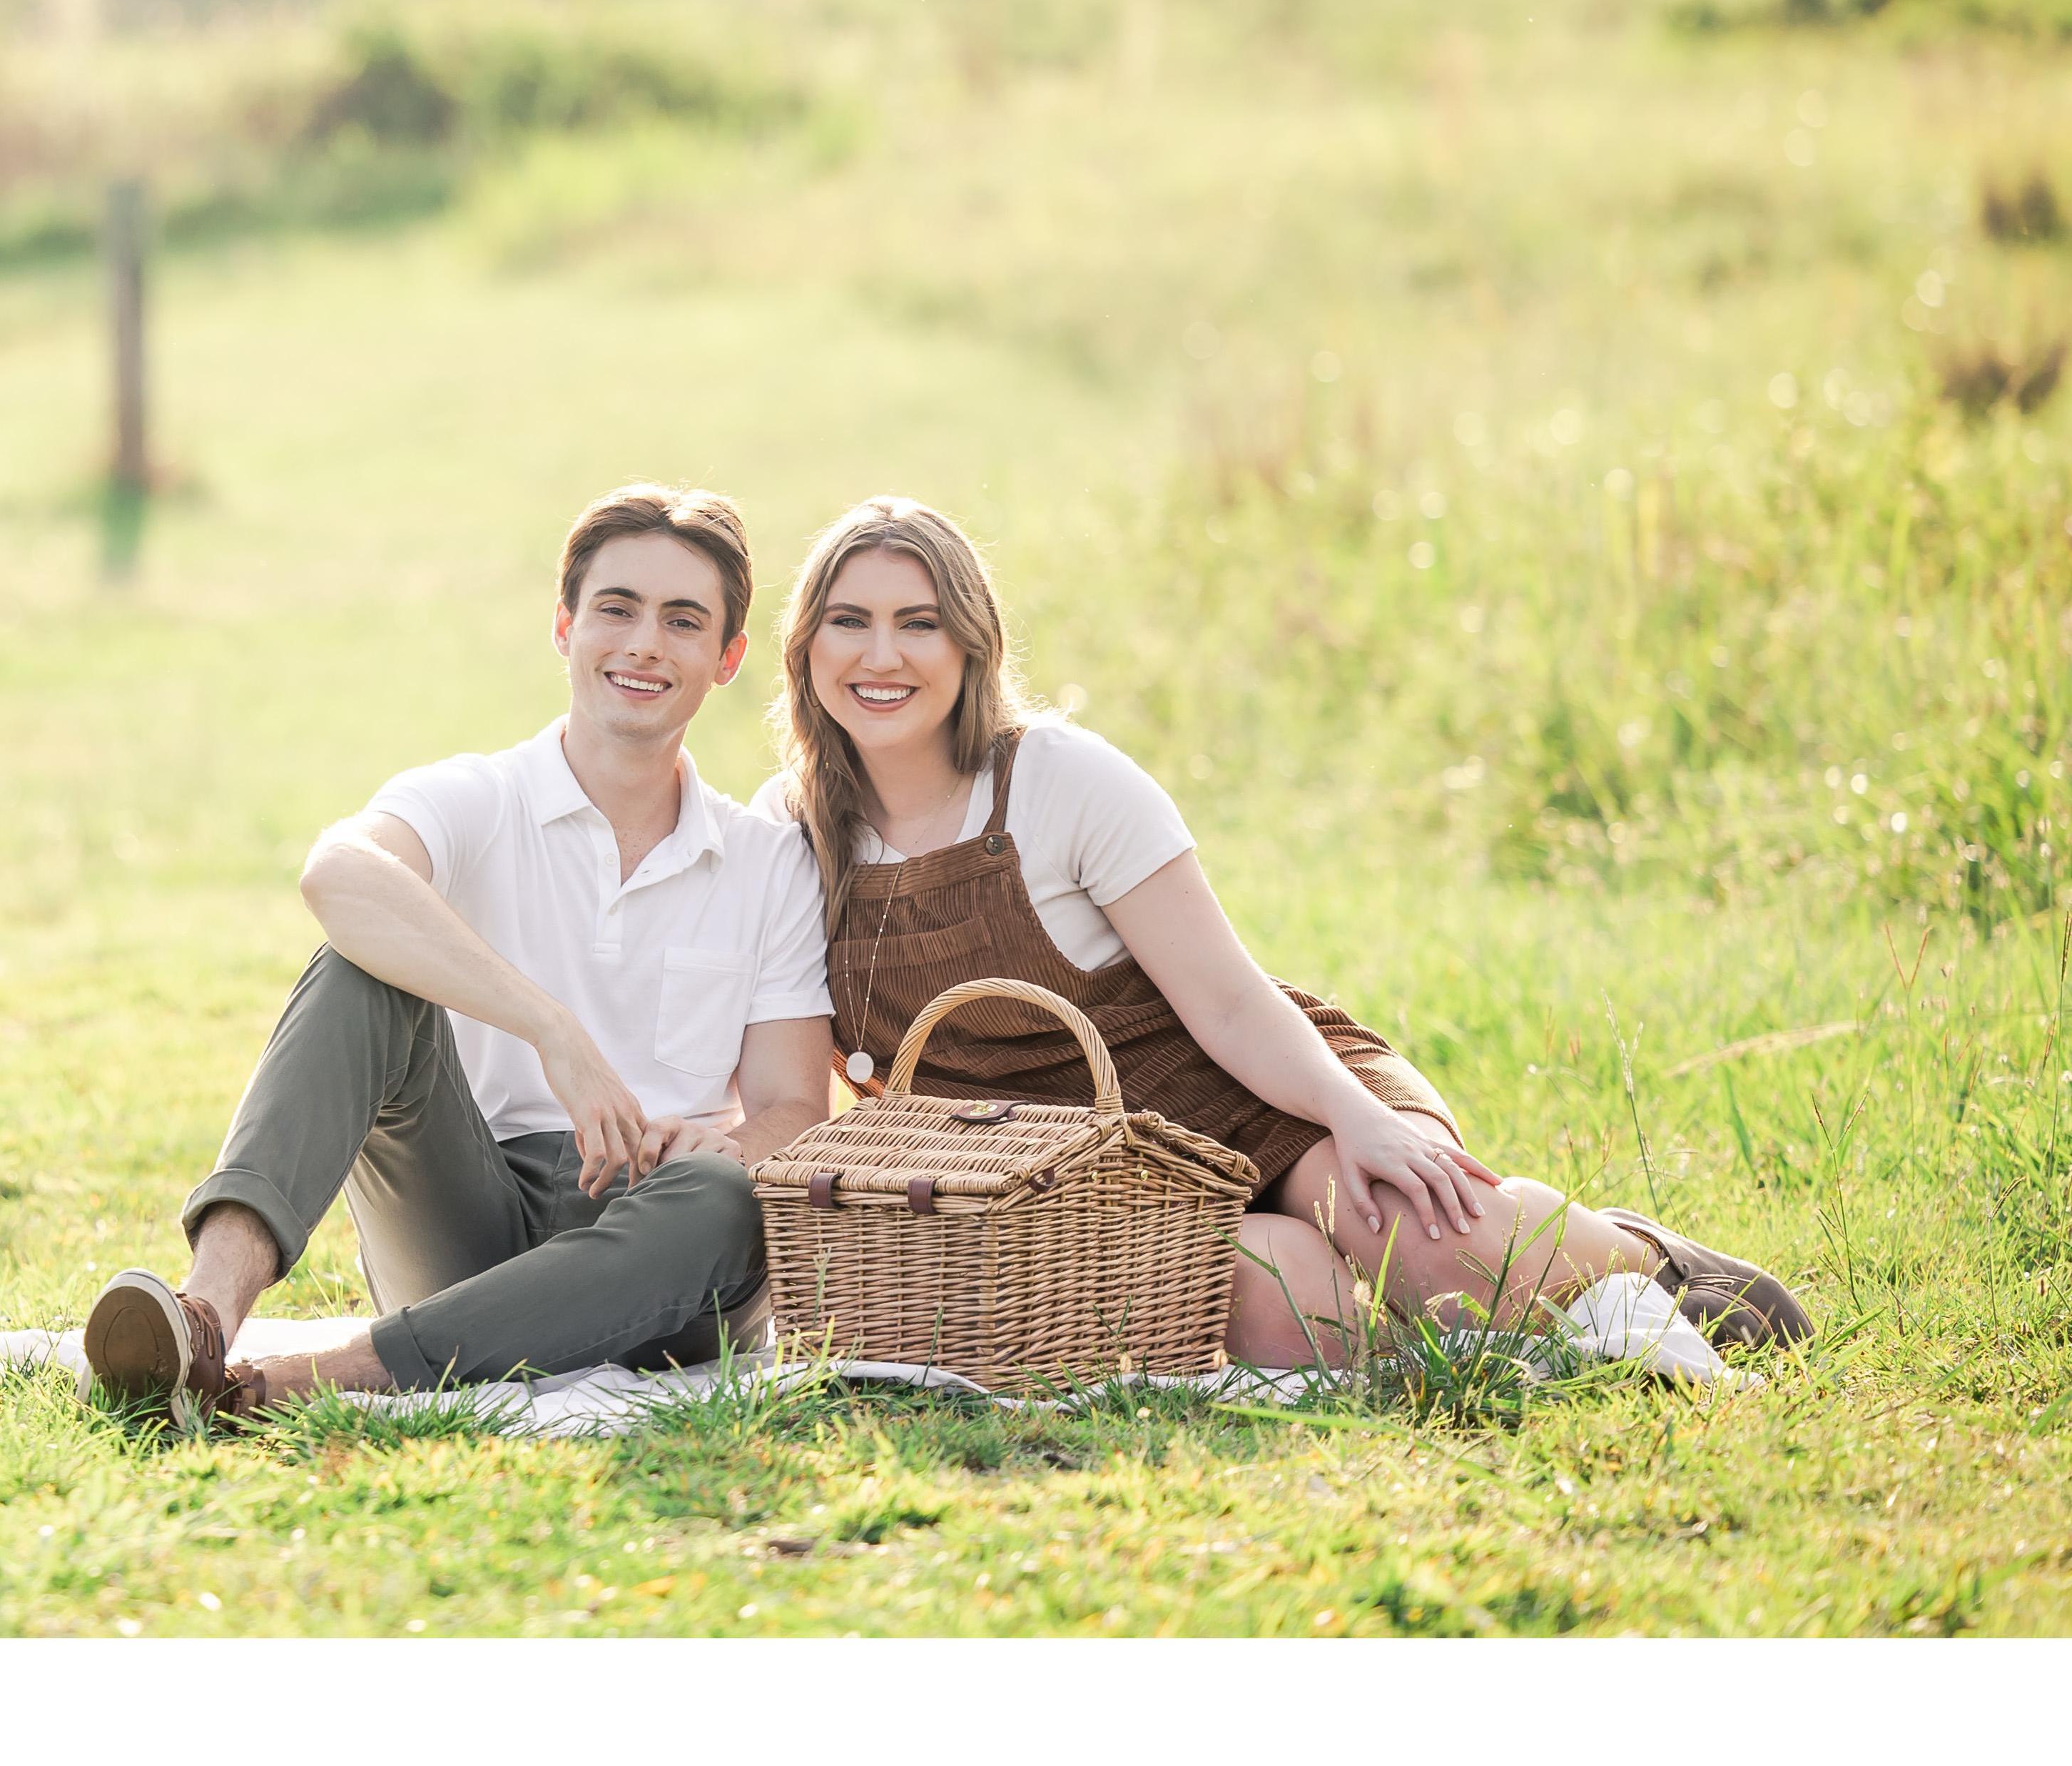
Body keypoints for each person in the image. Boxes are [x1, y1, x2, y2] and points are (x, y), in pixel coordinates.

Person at [759, 494, 1814, 1366]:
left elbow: (1228, 1002)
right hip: (1084, 1189)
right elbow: (786, 1080)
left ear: (970, 643)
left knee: (1428, 1251)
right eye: (850, 621)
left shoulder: (1059, 780)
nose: (882, 654)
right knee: (1294, 1321)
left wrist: (1356, 1118)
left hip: (1261, 1099)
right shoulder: (789, 830)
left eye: (919, 622)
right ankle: (1418, 1337)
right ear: (806, 647)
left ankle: (1642, 1262)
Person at [82, 484, 841, 1412]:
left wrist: (718, 1144)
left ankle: (304, 1382)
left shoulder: (767, 859)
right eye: (616, 608)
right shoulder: (480, 797)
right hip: (466, 1215)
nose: (644, 643)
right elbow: (337, 873)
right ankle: (201, 1321)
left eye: (682, 620)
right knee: (358, 970)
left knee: (728, 1198)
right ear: (564, 626)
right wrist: (552, 1029)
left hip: (661, 1248)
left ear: (726, 659)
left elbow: (793, 1107)